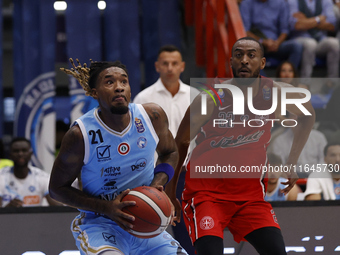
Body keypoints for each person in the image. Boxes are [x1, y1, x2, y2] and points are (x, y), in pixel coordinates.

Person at [165, 37, 315, 255]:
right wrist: (171, 191)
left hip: (250, 197)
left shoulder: (275, 93)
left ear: (262, 63)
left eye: (251, 55)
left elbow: (307, 116)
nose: (244, 60)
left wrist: (291, 163)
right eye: (239, 55)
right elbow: (181, 141)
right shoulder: (212, 96)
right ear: (231, 62)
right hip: (207, 195)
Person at [49, 59, 188, 255]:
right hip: (100, 224)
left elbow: (170, 152)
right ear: (94, 92)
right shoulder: (80, 135)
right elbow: (56, 189)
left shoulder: (152, 116)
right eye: (109, 82)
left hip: (144, 225)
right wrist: (107, 207)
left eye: (124, 81)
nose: (119, 88)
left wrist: (158, 183)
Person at [134, 45, 197, 254]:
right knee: (150, 229)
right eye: (165, 63)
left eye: (174, 63)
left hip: (188, 174)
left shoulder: (196, 95)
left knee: (187, 230)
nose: (170, 67)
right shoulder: (143, 99)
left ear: (182, 66)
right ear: (157, 66)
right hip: (155, 174)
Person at [239, 0, 303, 69]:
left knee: (296, 46)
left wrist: (277, 43)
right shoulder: (246, 3)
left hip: (276, 43)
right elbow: (245, 31)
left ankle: (289, 77)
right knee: (249, 52)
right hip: (256, 44)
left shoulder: (281, 3)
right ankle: (262, 79)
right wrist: (263, 42)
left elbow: (284, 30)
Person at [0, 137, 59, 207]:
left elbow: (58, 207)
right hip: (8, 218)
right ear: (10, 154)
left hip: (36, 218)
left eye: (24, 150)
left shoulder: (42, 177)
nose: (20, 154)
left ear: (31, 153)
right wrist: (8, 209)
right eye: (16, 151)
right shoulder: (1, 176)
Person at [287, 0, 340, 78]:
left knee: (334, 43)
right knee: (311, 43)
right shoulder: (293, 1)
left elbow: (331, 25)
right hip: (300, 38)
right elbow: (297, 25)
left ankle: (332, 82)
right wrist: (319, 19)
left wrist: (306, 20)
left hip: (320, 39)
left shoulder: (326, 1)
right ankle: (305, 82)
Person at [270, 111, 327, 178]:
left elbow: (324, 160)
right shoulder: (279, 141)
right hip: (290, 179)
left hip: (316, 177)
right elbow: (279, 165)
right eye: (293, 116)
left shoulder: (319, 137)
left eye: (301, 117)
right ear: (289, 120)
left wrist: (316, 176)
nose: (297, 120)